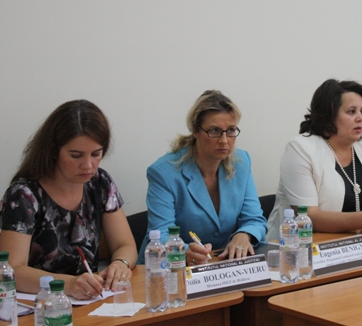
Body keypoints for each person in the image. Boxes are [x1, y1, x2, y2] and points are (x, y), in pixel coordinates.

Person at [0, 100, 137, 300]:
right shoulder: (24, 195)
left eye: (96, 154)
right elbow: (12, 270)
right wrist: (69, 284)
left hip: (90, 300)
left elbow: (125, 245)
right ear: (54, 151)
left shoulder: (100, 183)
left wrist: (120, 264)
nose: (88, 165)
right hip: (41, 304)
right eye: (76, 155)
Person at [139, 90, 267, 266]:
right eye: (214, 131)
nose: (224, 140)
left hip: (224, 263)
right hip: (171, 268)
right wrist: (185, 251)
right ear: (195, 131)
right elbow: (160, 235)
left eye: (230, 130)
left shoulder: (241, 161)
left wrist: (244, 235)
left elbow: (255, 219)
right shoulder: (164, 172)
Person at [266, 79, 362, 241]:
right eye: (351, 111)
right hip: (298, 247)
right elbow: (308, 216)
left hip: (361, 242)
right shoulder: (300, 149)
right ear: (328, 116)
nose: (360, 118)